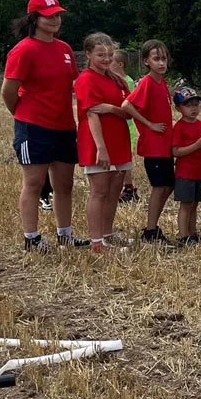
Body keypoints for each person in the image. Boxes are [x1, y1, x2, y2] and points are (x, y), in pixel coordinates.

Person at [1, 0, 87, 251]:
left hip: (63, 126)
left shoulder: (65, 49)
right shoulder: (23, 50)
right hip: (33, 127)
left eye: (58, 15)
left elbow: (75, 83)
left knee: (64, 184)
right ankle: (32, 237)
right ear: (34, 19)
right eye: (49, 16)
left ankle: (65, 234)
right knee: (34, 183)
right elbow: (8, 90)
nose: (55, 20)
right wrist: (21, 114)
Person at [74, 33, 133, 254]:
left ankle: (107, 235)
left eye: (109, 55)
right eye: (100, 55)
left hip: (119, 140)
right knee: (99, 191)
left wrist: (110, 108)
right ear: (88, 54)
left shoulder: (115, 79)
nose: (106, 59)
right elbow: (91, 115)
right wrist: (101, 149)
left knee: (114, 190)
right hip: (99, 143)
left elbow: (128, 111)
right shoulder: (86, 80)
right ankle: (97, 242)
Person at [120, 40, 175, 245]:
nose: (161, 63)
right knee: (160, 187)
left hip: (165, 145)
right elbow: (127, 105)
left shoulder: (162, 82)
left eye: (164, 58)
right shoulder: (147, 83)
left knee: (168, 186)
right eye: (156, 59)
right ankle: (150, 230)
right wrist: (149, 124)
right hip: (154, 146)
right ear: (146, 61)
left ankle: (153, 226)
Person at [170, 85, 201, 247]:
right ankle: (183, 235)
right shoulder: (180, 127)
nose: (193, 109)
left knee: (195, 203)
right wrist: (196, 145)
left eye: (195, 105)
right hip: (185, 173)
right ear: (178, 108)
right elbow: (176, 151)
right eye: (188, 106)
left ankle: (192, 232)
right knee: (186, 204)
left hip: (200, 171)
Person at [110, 49, 139, 203]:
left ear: (120, 64)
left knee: (125, 159)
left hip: (127, 126)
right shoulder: (114, 80)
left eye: (111, 61)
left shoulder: (126, 81)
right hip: (118, 125)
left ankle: (129, 188)